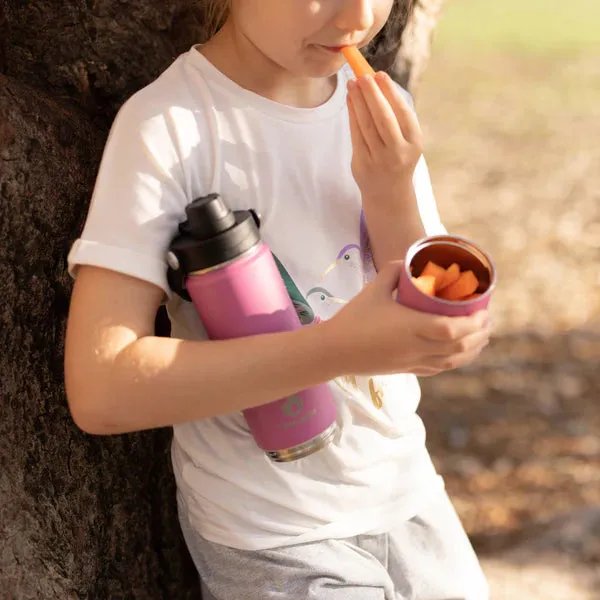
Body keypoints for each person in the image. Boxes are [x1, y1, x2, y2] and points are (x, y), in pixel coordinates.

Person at [64, 1, 491, 598]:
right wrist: (333, 348)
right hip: (275, 537)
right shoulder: (168, 126)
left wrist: (393, 190)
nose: (357, 19)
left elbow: (408, 319)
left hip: (410, 495)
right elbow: (102, 389)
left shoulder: (376, 115)